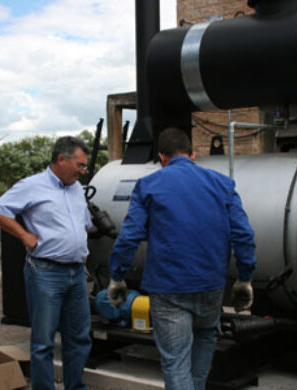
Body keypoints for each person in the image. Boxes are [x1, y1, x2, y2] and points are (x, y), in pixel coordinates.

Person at [107, 127, 256, 390]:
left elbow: (129, 236)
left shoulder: (148, 185)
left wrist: (117, 276)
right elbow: (243, 234)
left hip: (168, 288)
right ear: (193, 155)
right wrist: (244, 279)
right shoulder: (223, 184)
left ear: (162, 158)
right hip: (211, 285)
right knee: (203, 349)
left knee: (176, 363)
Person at [0, 136, 93, 390]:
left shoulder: (77, 188)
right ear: (61, 159)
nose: (82, 171)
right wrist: (25, 235)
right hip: (46, 272)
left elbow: (84, 222)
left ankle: (75, 386)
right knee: (43, 342)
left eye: (84, 167)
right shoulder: (32, 185)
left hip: (77, 273)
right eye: (79, 165)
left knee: (79, 338)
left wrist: (81, 245)